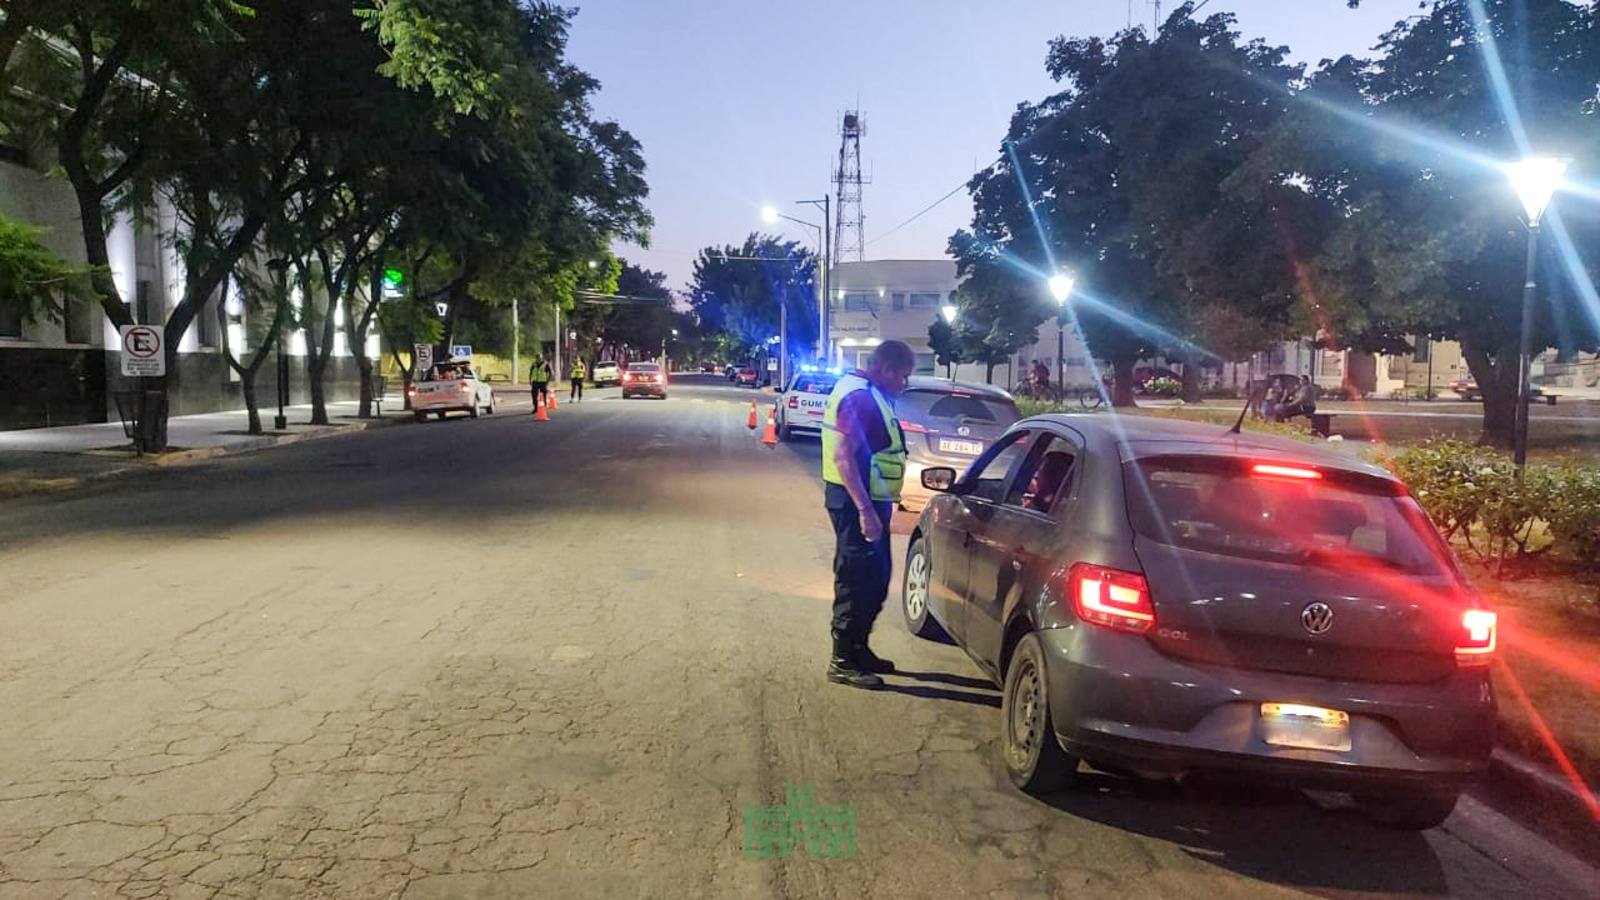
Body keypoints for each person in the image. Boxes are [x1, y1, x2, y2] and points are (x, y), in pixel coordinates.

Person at [821, 339, 916, 689]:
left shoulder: (869, 392)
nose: (904, 383)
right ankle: (842, 660)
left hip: (869, 500)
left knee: (876, 579)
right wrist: (865, 512)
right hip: (855, 502)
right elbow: (844, 457)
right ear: (886, 369)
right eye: (902, 375)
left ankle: (859, 649)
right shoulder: (861, 398)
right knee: (856, 579)